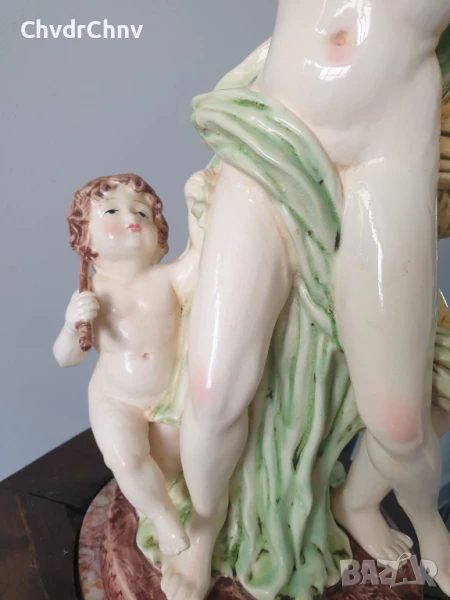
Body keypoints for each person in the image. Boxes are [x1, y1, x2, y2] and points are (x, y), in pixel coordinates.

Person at [161, 2, 450, 598]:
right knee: (213, 391)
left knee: (398, 420)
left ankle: (418, 523)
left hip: (384, 158)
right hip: (271, 136)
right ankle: (204, 525)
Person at [53, 172, 208, 557]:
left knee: (174, 466)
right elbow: (67, 358)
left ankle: (180, 505)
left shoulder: (167, 278)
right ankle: (163, 519)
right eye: (111, 211)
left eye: (142, 212)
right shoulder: (91, 294)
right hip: (116, 399)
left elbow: (202, 261)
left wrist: (201, 211)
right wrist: (72, 325)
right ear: (86, 239)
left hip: (170, 397)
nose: (132, 218)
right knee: (125, 458)